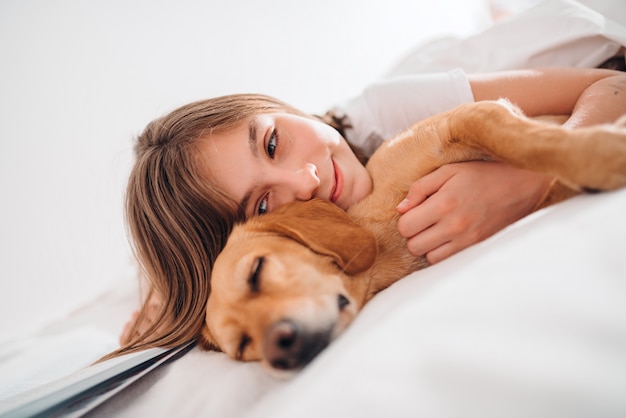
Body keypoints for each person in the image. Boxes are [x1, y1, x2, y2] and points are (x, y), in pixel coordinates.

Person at [109, 0, 626, 358]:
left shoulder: (385, 111)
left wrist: (529, 174)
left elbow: (612, 83)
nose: (306, 177)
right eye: (263, 207)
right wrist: (164, 310)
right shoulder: (313, 237)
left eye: (271, 142)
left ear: (275, 107)